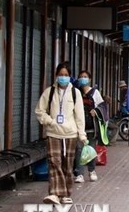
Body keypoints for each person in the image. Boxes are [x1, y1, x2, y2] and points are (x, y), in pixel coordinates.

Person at [35, 62, 87, 205]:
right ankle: (54, 193)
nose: (63, 77)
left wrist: (82, 135)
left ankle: (66, 194)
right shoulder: (49, 92)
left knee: (67, 164)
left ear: (70, 77)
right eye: (61, 75)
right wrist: (50, 121)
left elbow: (79, 116)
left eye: (66, 75)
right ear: (56, 75)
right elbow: (39, 111)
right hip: (53, 133)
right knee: (54, 162)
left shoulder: (75, 93)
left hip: (70, 134)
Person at [73, 70, 106, 184]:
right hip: (79, 128)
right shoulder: (76, 92)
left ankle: (92, 171)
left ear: (89, 79)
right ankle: (79, 174)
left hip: (92, 127)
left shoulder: (95, 93)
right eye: (81, 76)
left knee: (91, 150)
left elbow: (102, 106)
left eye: (85, 76)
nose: (83, 78)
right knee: (79, 150)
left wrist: (96, 111)